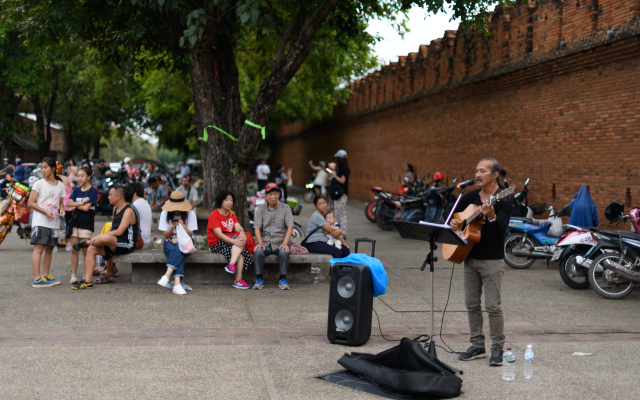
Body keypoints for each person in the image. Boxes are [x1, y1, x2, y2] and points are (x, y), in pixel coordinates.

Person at [449, 158, 513, 367]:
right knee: (471, 304)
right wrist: (455, 221)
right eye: (476, 170)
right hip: (469, 257)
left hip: (492, 260)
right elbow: (450, 214)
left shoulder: (503, 199)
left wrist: (492, 217)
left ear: (495, 175)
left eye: (482, 171)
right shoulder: (470, 196)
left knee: (493, 306)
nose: (477, 174)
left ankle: (497, 348)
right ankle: (477, 345)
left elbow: (501, 230)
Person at [72, 186, 139, 290]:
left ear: (118, 196)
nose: (108, 197)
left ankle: (88, 242)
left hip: (126, 243)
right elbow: (113, 228)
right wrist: (102, 236)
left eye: (110, 195)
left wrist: (99, 236)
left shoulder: (128, 210)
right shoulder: (115, 209)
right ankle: (87, 281)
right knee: (91, 249)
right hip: (114, 243)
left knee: (106, 238)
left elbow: (119, 231)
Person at [27, 157, 66, 288]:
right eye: (42, 167)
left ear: (53, 169)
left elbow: (61, 204)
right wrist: (45, 212)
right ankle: (37, 279)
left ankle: (45, 275)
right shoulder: (39, 183)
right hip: (41, 220)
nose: (43, 170)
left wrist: (61, 210)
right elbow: (30, 203)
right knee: (39, 249)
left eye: (45, 167)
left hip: (54, 222)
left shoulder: (60, 185)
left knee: (49, 249)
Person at [253, 183, 294, 290]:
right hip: (265, 242)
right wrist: (260, 242)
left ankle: (282, 278)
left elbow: (290, 227)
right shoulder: (260, 209)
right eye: (270, 194)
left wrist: (285, 243)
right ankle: (259, 278)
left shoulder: (286, 208)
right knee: (258, 252)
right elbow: (257, 227)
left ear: (279, 194)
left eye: (275, 194)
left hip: (280, 242)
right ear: (265, 196)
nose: (273, 197)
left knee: (284, 252)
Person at [207, 190, 251, 289]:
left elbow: (238, 226)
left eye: (231, 200)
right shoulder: (214, 214)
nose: (229, 203)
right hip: (216, 243)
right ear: (220, 201)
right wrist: (235, 241)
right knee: (239, 243)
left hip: (230, 242)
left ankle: (237, 279)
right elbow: (219, 234)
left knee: (242, 251)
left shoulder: (232, 214)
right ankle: (235, 274)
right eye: (226, 200)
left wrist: (242, 233)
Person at [157, 191, 198, 295]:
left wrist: (183, 226)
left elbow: (190, 234)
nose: (177, 209)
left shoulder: (190, 213)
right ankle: (177, 284)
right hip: (169, 242)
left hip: (187, 242)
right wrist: (171, 228)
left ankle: (167, 275)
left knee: (179, 247)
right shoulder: (165, 213)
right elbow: (166, 235)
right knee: (178, 250)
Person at [66, 167, 98, 284]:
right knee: (74, 250)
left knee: (85, 251)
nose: (79, 178)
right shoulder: (76, 190)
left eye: (82, 175)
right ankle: (73, 275)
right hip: (75, 223)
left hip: (86, 225)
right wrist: (80, 202)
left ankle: (86, 275)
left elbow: (86, 208)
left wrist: (77, 204)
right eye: (78, 175)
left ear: (89, 177)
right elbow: (68, 203)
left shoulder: (93, 191)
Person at [328, 149, 350, 237]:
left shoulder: (344, 167)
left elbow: (342, 180)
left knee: (340, 213)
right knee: (338, 213)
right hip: (340, 193)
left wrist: (334, 176)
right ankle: (338, 231)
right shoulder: (344, 167)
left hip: (341, 193)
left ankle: (342, 233)